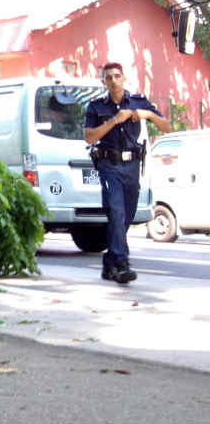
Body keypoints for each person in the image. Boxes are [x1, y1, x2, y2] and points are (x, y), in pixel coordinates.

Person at [84, 62, 171, 284]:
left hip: (132, 166)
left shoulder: (138, 101)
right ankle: (122, 264)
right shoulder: (95, 107)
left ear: (124, 78)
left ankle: (110, 260)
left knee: (127, 215)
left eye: (117, 76)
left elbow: (166, 127)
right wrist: (114, 120)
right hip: (108, 165)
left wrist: (147, 114)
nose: (113, 80)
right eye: (109, 77)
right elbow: (90, 137)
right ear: (103, 81)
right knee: (116, 210)